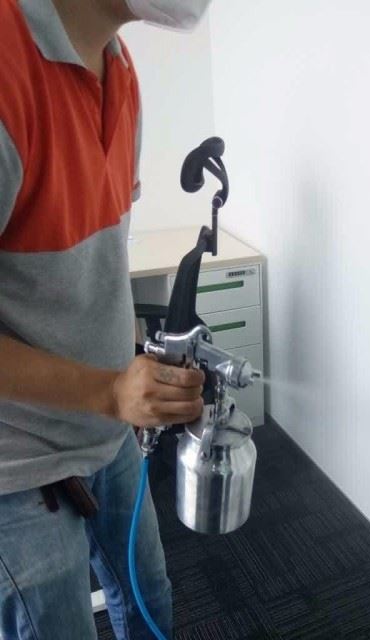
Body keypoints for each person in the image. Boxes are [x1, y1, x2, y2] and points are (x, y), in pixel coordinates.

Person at [0, 1, 210, 637]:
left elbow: (101, 260)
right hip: (17, 467)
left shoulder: (120, 71)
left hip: (110, 431)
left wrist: (136, 370)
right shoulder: (8, 69)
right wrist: (111, 390)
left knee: (150, 603)